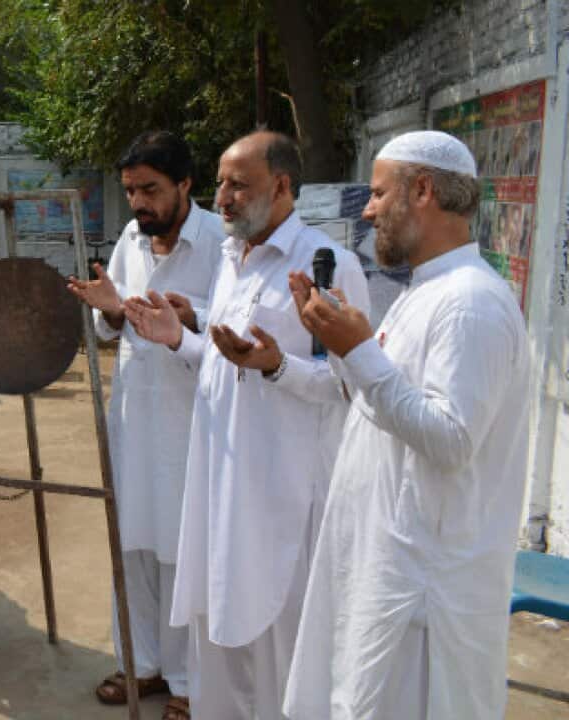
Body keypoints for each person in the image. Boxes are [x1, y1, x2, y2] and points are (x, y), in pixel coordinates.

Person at [283, 131, 531, 720]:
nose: (366, 210)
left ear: (422, 190)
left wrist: (362, 350)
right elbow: (385, 409)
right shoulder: (428, 291)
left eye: (375, 193)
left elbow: (451, 439)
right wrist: (345, 347)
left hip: (424, 605)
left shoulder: (471, 303)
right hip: (387, 575)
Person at [124, 131, 370, 719]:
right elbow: (227, 358)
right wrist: (180, 336)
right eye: (220, 183)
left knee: (282, 653)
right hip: (220, 489)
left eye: (239, 184)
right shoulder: (234, 258)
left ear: (282, 185)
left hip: (282, 497)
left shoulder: (326, 266)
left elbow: (351, 383)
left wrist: (278, 366)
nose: (224, 197)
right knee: (218, 644)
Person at [67, 131, 222, 719]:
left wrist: (187, 319)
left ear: (185, 185)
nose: (138, 203)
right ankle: (143, 664)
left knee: (182, 553)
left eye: (150, 190)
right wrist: (108, 306)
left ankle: (187, 681)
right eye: (131, 190)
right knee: (130, 544)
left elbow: (230, 328)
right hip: (135, 412)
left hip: (192, 419)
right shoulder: (133, 237)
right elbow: (115, 328)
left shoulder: (219, 245)